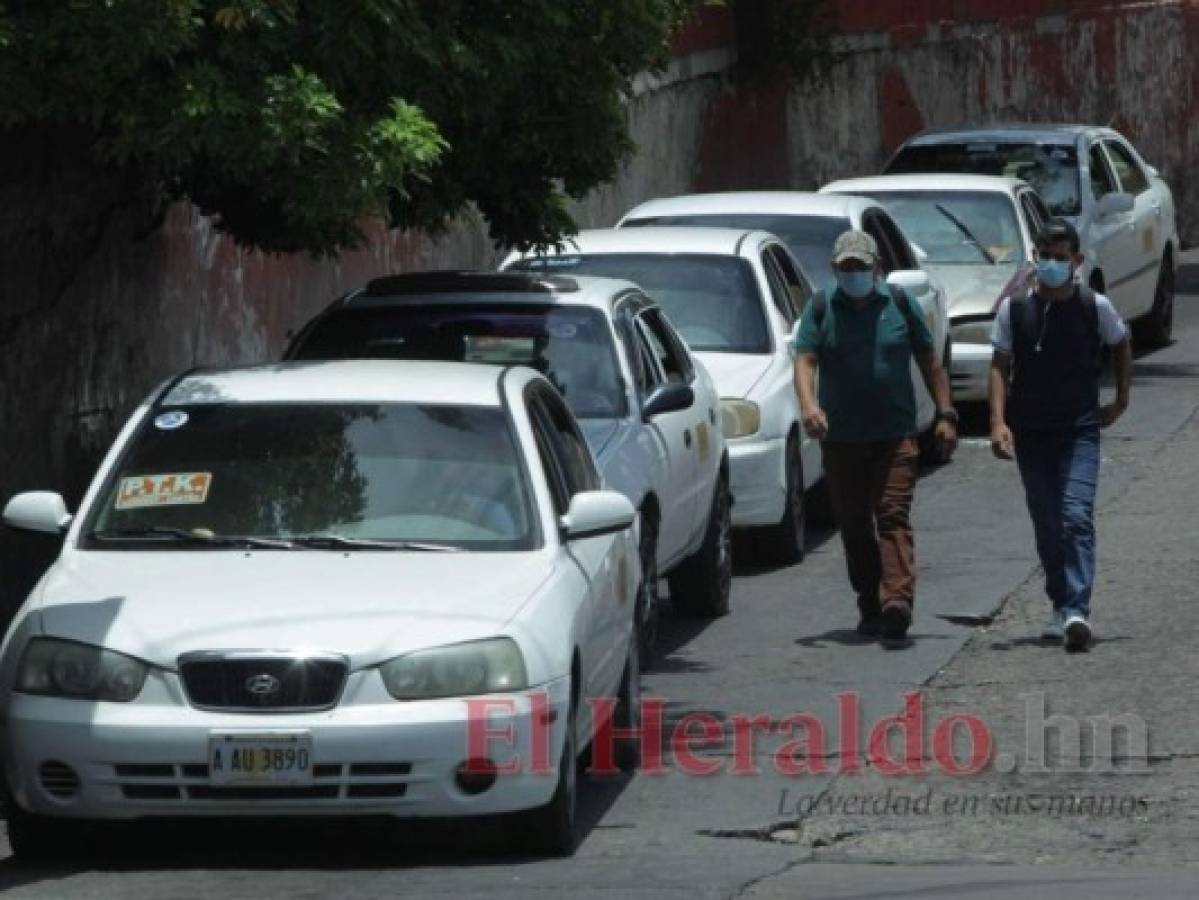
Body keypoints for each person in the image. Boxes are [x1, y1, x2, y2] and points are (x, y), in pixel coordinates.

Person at [793, 230, 958, 641]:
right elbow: (805, 360)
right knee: (853, 525)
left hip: (895, 435)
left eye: (860, 267)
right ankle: (869, 600)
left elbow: (929, 361)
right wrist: (810, 407)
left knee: (891, 513)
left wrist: (946, 414)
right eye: (846, 268)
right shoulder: (820, 307)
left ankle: (897, 600)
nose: (853, 274)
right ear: (834, 269)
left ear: (877, 269)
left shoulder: (899, 304)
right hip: (842, 440)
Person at [988, 218, 1131, 652]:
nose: (1051, 264)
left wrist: (1121, 399)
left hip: (1080, 431)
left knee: (1075, 515)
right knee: (1048, 523)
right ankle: (1059, 600)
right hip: (1032, 434)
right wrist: (998, 422)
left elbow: (1122, 343)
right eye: (1044, 256)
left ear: (1077, 261)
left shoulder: (1094, 307)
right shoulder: (1014, 310)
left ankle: (1076, 610)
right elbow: (999, 365)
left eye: (1060, 257)